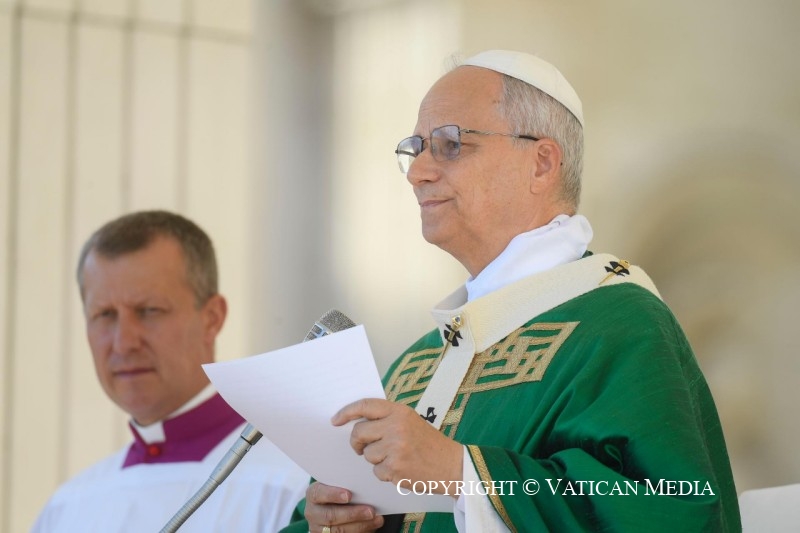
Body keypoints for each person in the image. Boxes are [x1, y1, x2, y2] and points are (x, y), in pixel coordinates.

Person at [282, 50, 741, 532]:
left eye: (450, 144)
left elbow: (675, 504)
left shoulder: (622, 325)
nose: (419, 171)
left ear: (542, 163)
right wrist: (328, 522)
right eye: (415, 148)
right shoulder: (418, 365)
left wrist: (462, 475)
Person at [33, 210, 309, 532]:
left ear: (212, 318)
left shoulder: (296, 485)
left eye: (149, 311)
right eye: (105, 315)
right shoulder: (67, 508)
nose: (124, 343)